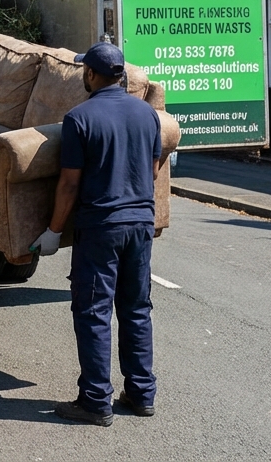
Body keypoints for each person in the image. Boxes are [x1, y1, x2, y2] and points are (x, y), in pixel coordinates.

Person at [31, 42, 162, 427]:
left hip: (101, 228)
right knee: (137, 309)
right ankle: (141, 394)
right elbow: (153, 170)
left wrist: (53, 230)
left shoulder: (79, 118)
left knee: (94, 313)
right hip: (140, 225)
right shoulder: (147, 114)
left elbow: (69, 185)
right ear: (119, 74)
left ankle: (95, 401)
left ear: (90, 74)